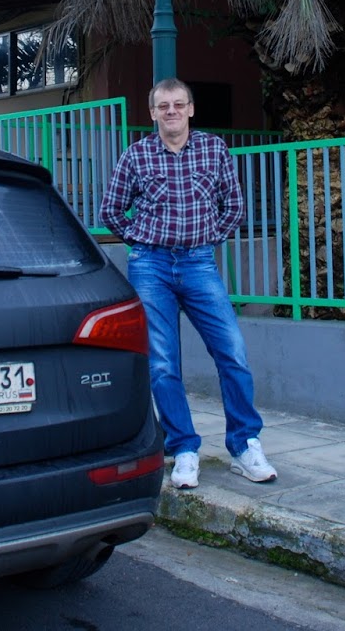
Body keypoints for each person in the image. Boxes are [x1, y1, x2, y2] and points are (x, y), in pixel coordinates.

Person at [99, 78, 277, 489]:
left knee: (232, 351)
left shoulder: (214, 149)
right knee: (162, 362)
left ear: (191, 109)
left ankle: (245, 445)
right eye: (164, 106)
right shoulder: (136, 155)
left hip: (199, 263)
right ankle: (183, 448)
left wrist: (210, 237)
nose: (172, 112)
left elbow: (234, 205)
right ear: (153, 113)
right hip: (151, 267)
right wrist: (141, 242)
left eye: (179, 104)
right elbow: (111, 210)